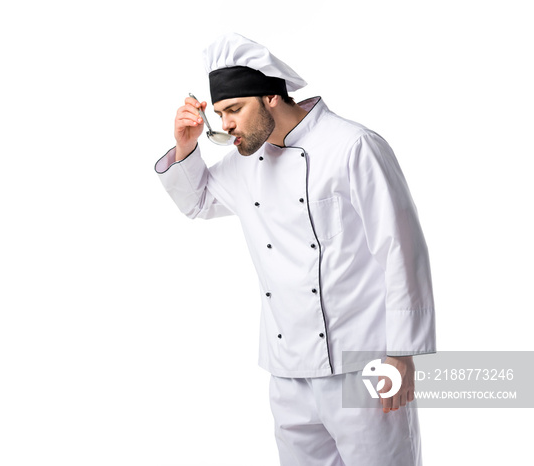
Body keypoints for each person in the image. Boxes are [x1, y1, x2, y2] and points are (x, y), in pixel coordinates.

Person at [154, 32, 436, 466]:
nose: (226, 125)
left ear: (270, 97)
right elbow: (197, 202)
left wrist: (402, 353)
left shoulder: (352, 146)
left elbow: (400, 249)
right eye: (221, 113)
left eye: (234, 110)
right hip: (287, 371)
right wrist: (186, 147)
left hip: (360, 365)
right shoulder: (246, 164)